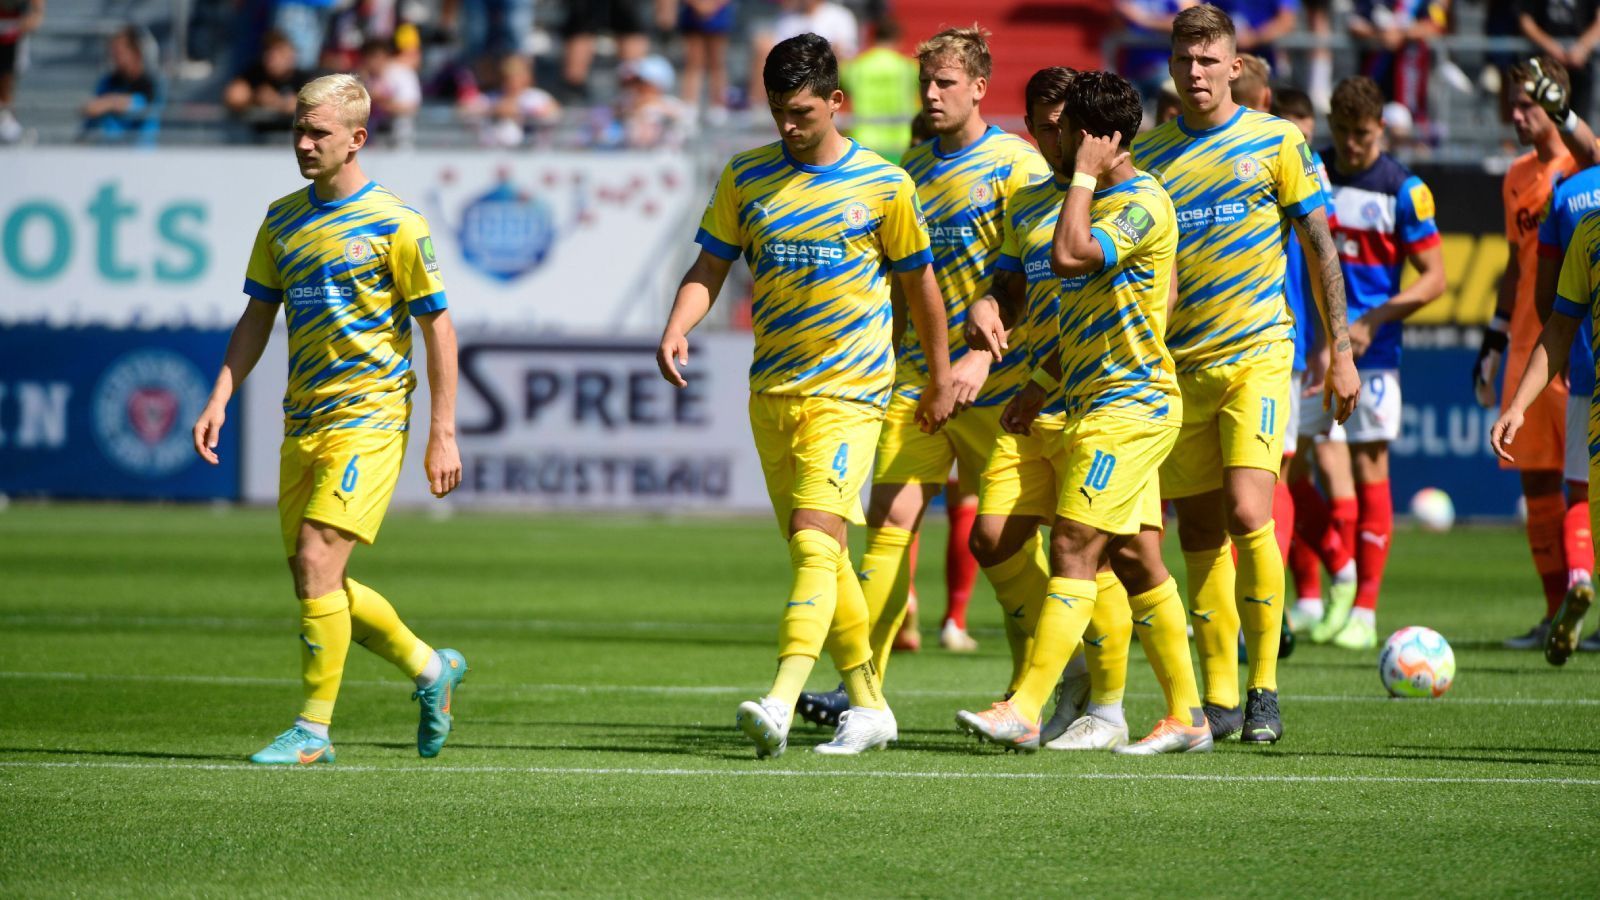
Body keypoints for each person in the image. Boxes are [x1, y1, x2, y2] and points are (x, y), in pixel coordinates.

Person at [655, 33, 954, 758]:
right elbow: (710, 265)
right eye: (777, 111)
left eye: (800, 111)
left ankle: (782, 699)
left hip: (852, 393)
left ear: (835, 103)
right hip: (773, 392)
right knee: (818, 554)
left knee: (819, 544)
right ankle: (873, 706)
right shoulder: (746, 176)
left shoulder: (885, 185)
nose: (788, 126)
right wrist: (676, 325)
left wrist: (942, 375)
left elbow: (921, 289)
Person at [190, 74, 468, 765]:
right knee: (320, 582)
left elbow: (439, 329)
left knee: (317, 559)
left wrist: (442, 431)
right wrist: (221, 394)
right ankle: (432, 670)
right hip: (302, 421)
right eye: (298, 132)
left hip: (370, 418)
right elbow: (257, 316)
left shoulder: (396, 223)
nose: (305, 144)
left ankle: (313, 731)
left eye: (319, 133)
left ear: (356, 139)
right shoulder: (282, 219)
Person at [791, 28, 1057, 730]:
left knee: (1000, 542)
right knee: (889, 522)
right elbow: (910, 287)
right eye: (926, 84)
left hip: (1001, 385)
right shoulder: (908, 170)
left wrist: (985, 352)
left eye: (946, 84)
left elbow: (1034, 272)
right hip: (920, 381)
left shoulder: (1016, 166)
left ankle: (1039, 681)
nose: (932, 95)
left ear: (978, 88)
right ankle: (862, 689)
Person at [956, 69, 1209, 755]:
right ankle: (1188, 716)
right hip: (1084, 399)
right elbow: (1084, 321)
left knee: (1071, 544)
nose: (1052, 138)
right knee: (1131, 556)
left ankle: (1029, 706)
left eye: (1066, 129)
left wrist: (1083, 178)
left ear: (1097, 138)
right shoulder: (1072, 197)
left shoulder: (1142, 204)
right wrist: (1038, 382)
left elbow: (1070, 257)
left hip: (1134, 405)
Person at [1131, 4, 1359, 743]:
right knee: (1196, 530)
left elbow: (1321, 245)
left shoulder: (1277, 142)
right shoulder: (1153, 156)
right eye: (1185, 61)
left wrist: (1343, 349)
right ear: (1171, 67)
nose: (1197, 74)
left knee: (1249, 511)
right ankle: (1221, 696)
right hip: (1179, 368)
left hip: (1259, 357)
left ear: (1236, 66)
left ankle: (1264, 687)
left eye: (1210, 61)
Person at [1293, 76, 1447, 649]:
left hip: (1374, 356)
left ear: (1381, 128)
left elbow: (1436, 279)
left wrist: (1373, 321)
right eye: (1344, 134)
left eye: (1362, 135)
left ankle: (1364, 609)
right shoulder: (1315, 174)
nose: (1353, 146)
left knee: (1368, 467)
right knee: (1289, 469)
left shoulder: (1404, 190)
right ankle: (1338, 573)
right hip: (1310, 350)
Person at [1481, 56, 1600, 649]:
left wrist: (1566, 116)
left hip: (1575, 345)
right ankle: (1560, 611)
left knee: (1581, 490)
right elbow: (1512, 265)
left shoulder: (1579, 174)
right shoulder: (1518, 176)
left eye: (1531, 104)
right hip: (1540, 344)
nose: (1518, 114)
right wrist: (1496, 335)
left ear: (1556, 103)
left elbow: (1594, 152)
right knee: (1540, 486)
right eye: (1516, 104)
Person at [1347, 0, 1447, 126]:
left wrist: (1403, 34)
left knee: (1403, 128)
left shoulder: (1420, 2)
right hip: (1374, 80)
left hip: (1410, 86)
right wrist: (1380, 35)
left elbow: (1436, 25)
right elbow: (1354, 24)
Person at [840, 18, 918, 163]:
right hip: (901, 142)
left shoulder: (855, 67)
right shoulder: (908, 68)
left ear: (873, 38)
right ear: (898, 39)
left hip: (865, 142)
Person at [1518, 0, 1600, 119]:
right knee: (1544, 121)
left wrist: (1581, 48)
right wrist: (1552, 48)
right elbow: (1525, 20)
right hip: (1544, 69)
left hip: (1580, 69)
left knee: (1577, 122)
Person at [459, 53, 561, 148]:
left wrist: (521, 112)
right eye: (508, 76)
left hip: (530, 152)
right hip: (493, 152)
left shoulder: (535, 97)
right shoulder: (492, 97)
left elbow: (555, 112)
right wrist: (494, 110)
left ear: (526, 77)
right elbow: (463, 110)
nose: (512, 81)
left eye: (517, 76)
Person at [81, 24, 159, 143]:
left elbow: (143, 104)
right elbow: (92, 110)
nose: (114, 57)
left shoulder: (151, 83)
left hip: (139, 153)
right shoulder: (108, 82)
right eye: (112, 52)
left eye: (119, 52)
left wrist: (110, 103)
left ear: (136, 52)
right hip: (109, 152)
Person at [225, 30, 308, 139]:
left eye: (280, 53)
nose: (274, 59)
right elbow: (234, 97)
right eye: (270, 53)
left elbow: (308, 104)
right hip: (254, 139)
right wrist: (255, 99)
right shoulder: (255, 75)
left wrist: (276, 102)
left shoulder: (301, 78)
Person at [677, 1, 734, 122]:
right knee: (693, 61)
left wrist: (712, 7)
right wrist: (698, 6)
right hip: (693, 13)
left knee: (717, 61)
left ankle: (718, 105)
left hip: (718, 12)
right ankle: (689, 104)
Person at [0, 0, 44, 144]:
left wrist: (36, 15)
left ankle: (8, 122)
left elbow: (37, 15)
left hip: (13, 32)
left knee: (7, 80)